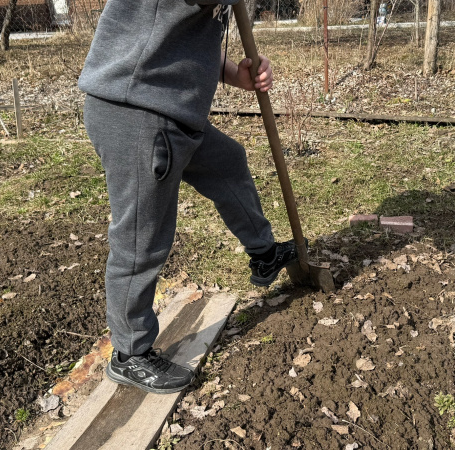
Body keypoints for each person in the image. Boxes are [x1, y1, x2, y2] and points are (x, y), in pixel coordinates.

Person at [78, 0, 298, 394]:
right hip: (137, 111)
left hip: (171, 109)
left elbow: (179, 41)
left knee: (227, 162)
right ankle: (130, 353)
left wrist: (235, 74)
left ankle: (264, 255)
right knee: (141, 238)